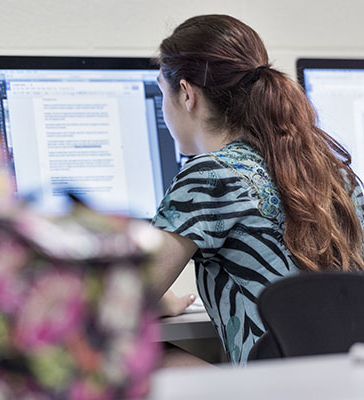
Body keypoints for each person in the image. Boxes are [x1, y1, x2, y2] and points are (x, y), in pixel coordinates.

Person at [149, 14, 364, 364]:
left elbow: (121, 302)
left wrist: (161, 302)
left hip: (279, 388)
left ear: (187, 94)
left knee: (150, 356)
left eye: (162, 91)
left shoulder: (209, 175)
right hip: (352, 384)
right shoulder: (333, 172)